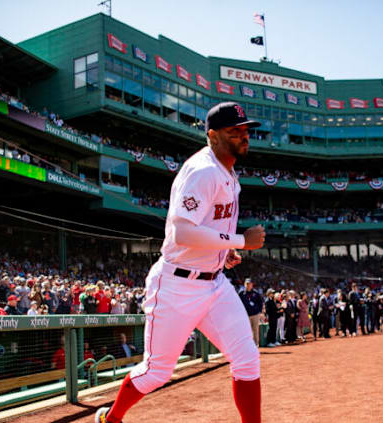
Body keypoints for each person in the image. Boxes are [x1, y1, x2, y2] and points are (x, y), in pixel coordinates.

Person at [95, 102, 265, 423]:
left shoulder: (227, 170)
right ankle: (112, 418)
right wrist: (241, 241)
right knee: (156, 372)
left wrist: (223, 251)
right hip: (176, 285)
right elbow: (183, 231)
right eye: (235, 131)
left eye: (245, 130)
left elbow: (208, 225)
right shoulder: (202, 171)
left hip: (214, 283)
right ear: (213, 136)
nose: (244, 136)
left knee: (247, 359)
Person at [239, 278, 263, 347]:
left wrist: (260, 311)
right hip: (245, 315)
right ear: (244, 284)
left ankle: (255, 345)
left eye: (249, 284)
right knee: (247, 331)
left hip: (255, 314)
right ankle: (248, 345)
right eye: (247, 284)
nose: (248, 285)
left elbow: (260, 302)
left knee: (255, 330)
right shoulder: (241, 293)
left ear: (252, 285)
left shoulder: (256, 293)